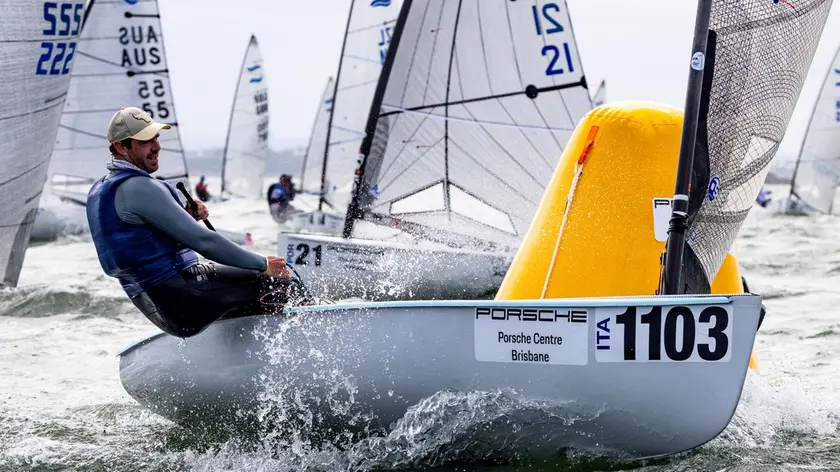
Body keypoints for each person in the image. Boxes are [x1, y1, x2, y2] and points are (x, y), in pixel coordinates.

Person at [86, 106, 307, 339]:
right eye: (145, 141)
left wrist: (186, 217)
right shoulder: (139, 187)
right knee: (282, 279)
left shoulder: (99, 192)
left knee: (255, 298)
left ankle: (254, 350)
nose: (156, 146)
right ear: (121, 147)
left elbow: (140, 243)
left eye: (156, 137)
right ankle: (315, 339)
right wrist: (264, 264)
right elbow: (205, 242)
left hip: (158, 308)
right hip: (186, 293)